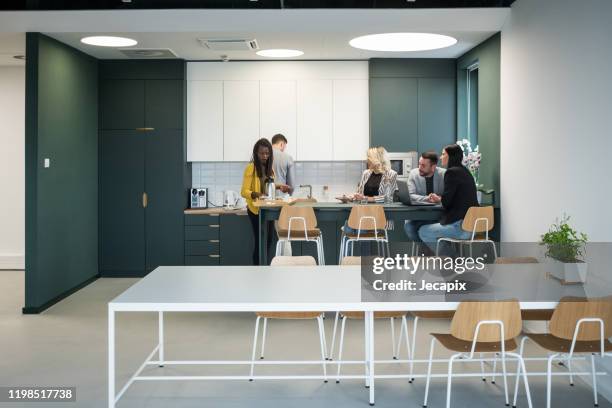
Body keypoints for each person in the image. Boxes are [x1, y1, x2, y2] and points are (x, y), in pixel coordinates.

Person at [418, 144, 479, 254]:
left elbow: (446, 202)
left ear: (451, 156)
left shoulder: (451, 172)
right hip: (473, 226)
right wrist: (441, 198)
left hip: (461, 228)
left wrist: (440, 199)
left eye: (443, 154)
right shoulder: (465, 172)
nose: (441, 157)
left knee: (423, 231)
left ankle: (451, 260)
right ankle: (450, 259)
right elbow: (455, 198)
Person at [241, 138, 290, 264]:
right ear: (256, 153)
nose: (265, 156)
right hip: (255, 210)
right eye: (262, 153)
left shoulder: (270, 168)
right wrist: (256, 194)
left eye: (267, 153)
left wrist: (279, 186)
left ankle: (265, 267)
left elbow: (268, 186)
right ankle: (258, 269)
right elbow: (244, 191)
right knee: (259, 241)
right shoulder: (251, 168)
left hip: (267, 209)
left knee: (269, 240)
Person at [403, 151, 446, 243]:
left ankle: (426, 252)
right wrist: (427, 198)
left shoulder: (444, 174)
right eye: (419, 164)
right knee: (409, 227)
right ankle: (427, 250)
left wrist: (439, 199)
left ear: (433, 167)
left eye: (423, 165)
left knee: (428, 230)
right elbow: (410, 195)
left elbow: (449, 196)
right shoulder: (413, 174)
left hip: (438, 217)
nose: (420, 168)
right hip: (417, 216)